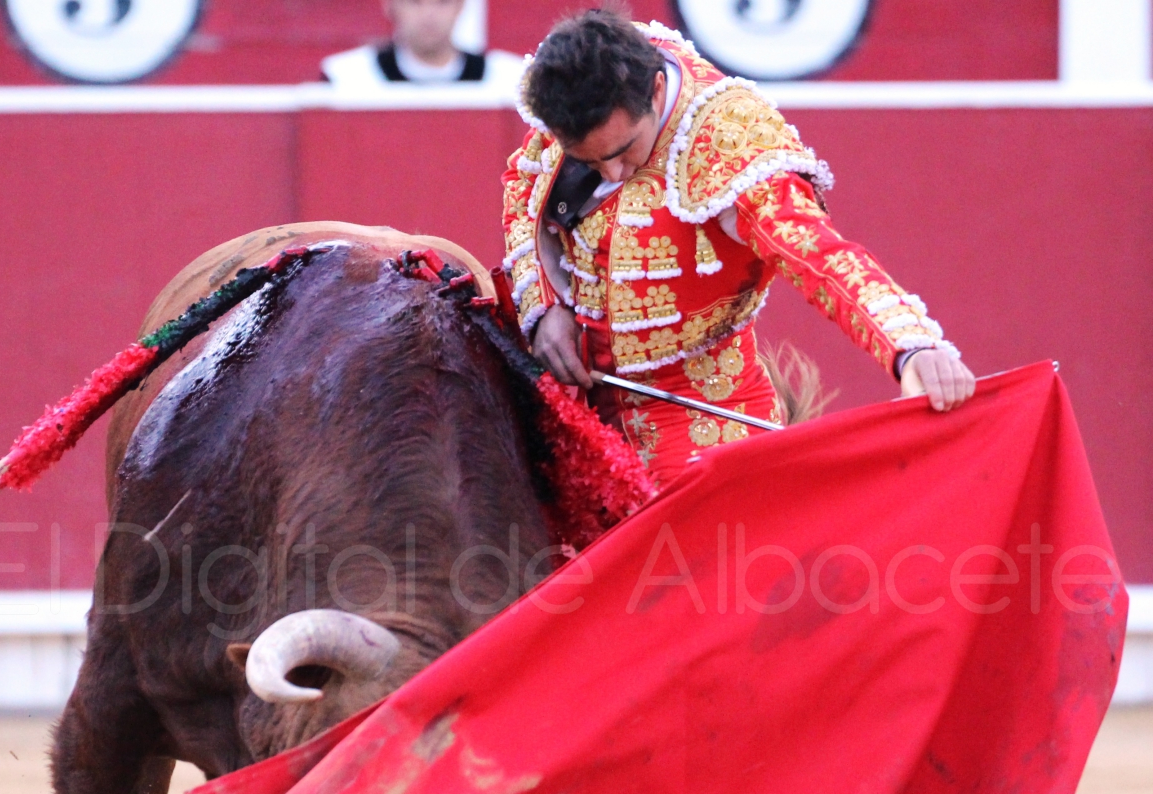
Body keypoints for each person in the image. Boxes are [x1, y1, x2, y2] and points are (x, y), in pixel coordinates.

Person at [503, 12, 976, 486]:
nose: (611, 174)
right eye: (591, 160)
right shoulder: (572, 89)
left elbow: (816, 254)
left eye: (624, 150)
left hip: (705, 425)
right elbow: (524, 191)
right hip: (576, 426)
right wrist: (543, 308)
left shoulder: (727, 142)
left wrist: (909, 347)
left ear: (657, 93)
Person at [322, 0, 524, 91]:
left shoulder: (508, 80)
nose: (429, 15)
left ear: (461, 6)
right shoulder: (348, 78)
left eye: (442, 2)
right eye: (415, 2)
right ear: (390, 5)